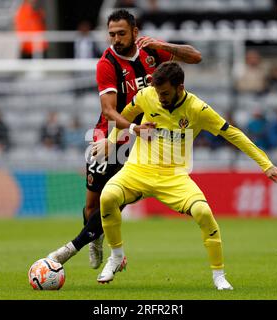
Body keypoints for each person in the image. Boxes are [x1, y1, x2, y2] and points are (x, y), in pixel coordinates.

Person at [92, 61, 277, 289]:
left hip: (174, 177)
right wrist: (111, 140)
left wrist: (266, 165)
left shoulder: (197, 109)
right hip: (138, 169)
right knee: (107, 197)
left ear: (180, 87)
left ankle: (219, 276)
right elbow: (123, 116)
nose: (161, 97)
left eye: (165, 93)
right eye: (158, 92)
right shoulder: (147, 95)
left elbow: (232, 134)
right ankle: (116, 256)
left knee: (203, 212)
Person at [47, 9, 202, 269]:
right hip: (108, 133)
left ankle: (100, 249)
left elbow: (195, 57)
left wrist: (162, 44)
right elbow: (108, 111)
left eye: (121, 33)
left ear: (134, 32)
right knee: (91, 204)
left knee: (116, 197)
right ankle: (94, 239)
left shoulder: (152, 52)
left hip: (145, 139)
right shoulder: (107, 64)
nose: (116, 39)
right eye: (111, 34)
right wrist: (131, 128)